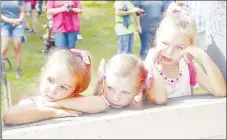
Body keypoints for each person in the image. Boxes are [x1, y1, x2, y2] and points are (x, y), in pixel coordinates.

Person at [144, 7, 226, 104]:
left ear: (189, 47)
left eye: (179, 47)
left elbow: (221, 91)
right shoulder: (146, 70)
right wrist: (149, 64)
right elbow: (159, 99)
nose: (169, 52)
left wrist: (203, 56)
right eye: (165, 43)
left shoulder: (188, 67)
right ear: (157, 37)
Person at [3, 49, 107, 125]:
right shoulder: (33, 103)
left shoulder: (73, 102)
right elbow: (10, 116)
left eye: (63, 87)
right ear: (43, 73)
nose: (52, 91)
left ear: (75, 90)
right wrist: (52, 112)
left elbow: (101, 104)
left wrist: (58, 103)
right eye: (50, 80)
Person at [1, 0, 25, 78]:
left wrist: (19, 20)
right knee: (4, 47)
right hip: (5, 24)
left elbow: (22, 12)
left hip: (17, 24)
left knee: (17, 45)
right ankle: (2, 66)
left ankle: (17, 69)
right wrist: (9, 20)